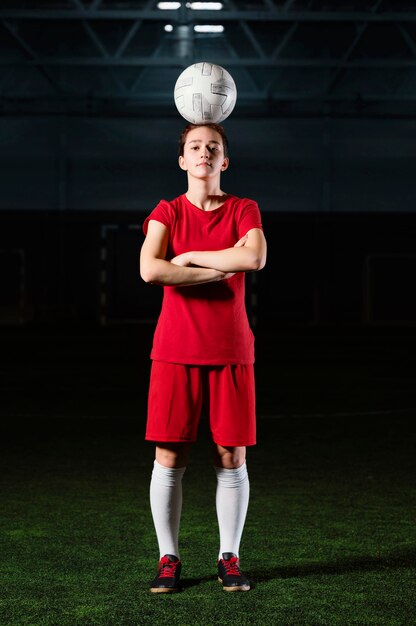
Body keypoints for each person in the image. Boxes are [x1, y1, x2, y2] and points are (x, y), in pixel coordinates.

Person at [140, 122, 267, 593]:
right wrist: (217, 266)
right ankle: (168, 557)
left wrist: (189, 258)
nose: (204, 153)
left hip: (231, 348)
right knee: (170, 455)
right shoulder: (166, 211)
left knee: (230, 456)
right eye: (195, 146)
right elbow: (150, 269)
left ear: (224, 161)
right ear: (182, 160)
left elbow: (253, 259)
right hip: (174, 348)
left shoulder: (243, 208)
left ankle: (228, 558)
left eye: (213, 147)